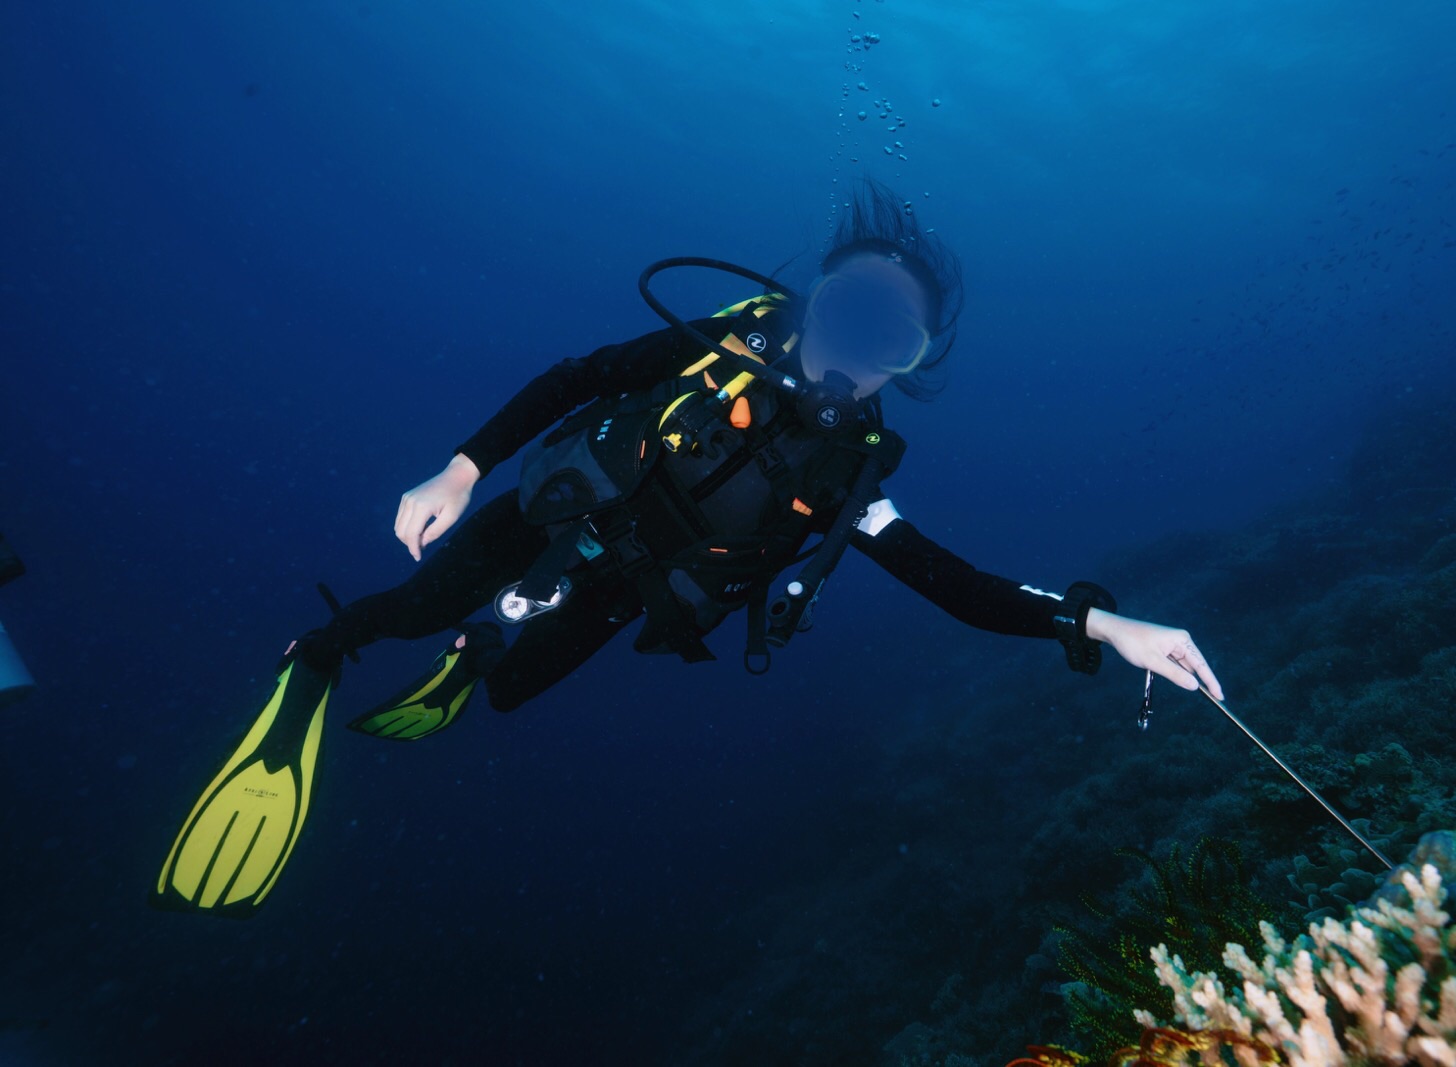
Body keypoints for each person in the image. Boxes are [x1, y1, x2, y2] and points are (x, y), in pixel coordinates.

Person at [152, 181, 1224, 918]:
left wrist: (1097, 620)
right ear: (810, 302)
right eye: (847, 314)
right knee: (417, 604)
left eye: (887, 342)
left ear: (910, 364)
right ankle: (323, 653)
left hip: (633, 590)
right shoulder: (724, 340)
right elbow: (577, 377)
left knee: (512, 679)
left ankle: (478, 659)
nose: (852, 353)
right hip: (552, 512)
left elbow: (955, 584)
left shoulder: (850, 475)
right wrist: (463, 467)